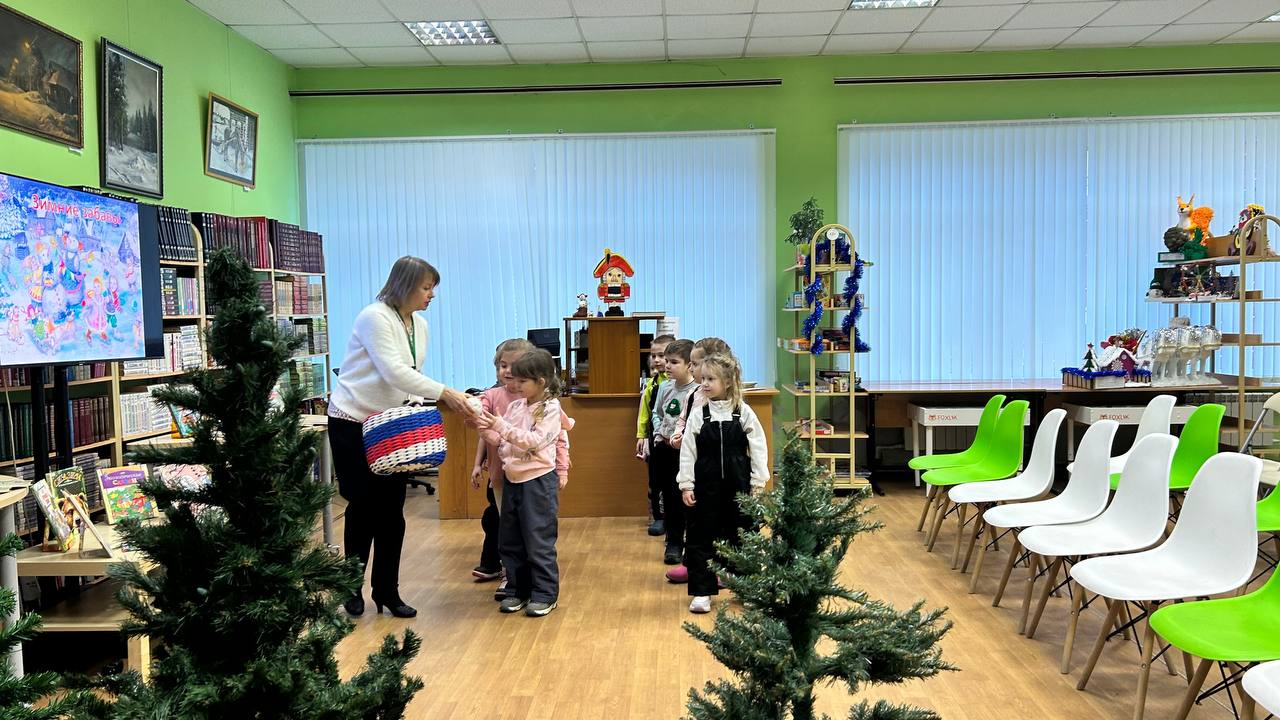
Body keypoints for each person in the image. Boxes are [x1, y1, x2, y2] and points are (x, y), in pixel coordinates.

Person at [328, 256, 478, 619]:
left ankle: (387, 591)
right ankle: (351, 587)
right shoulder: (374, 317)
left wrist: (423, 402)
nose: (431, 295)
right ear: (404, 285)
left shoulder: (419, 324)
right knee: (362, 507)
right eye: (426, 287)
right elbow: (393, 371)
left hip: (390, 426)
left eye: (432, 288)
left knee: (392, 512)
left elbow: (412, 372)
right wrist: (446, 393)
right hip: (353, 422)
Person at [471, 339, 571, 603]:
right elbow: (503, 441)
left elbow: (534, 441)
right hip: (511, 479)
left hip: (537, 481)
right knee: (511, 540)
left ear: (540, 381)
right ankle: (518, 590)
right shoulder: (516, 406)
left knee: (538, 540)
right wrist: (482, 425)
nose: (514, 384)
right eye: (512, 377)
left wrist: (499, 427)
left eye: (521, 380)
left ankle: (544, 594)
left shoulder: (550, 408)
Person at [678, 353, 768, 614]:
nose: (704, 384)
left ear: (728, 382)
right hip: (705, 487)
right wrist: (686, 484)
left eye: (711, 379)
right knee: (701, 536)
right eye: (703, 378)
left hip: (739, 484)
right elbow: (688, 452)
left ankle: (748, 587)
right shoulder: (699, 415)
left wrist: (758, 482)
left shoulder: (743, 412)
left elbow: (759, 448)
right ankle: (702, 591)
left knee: (744, 534)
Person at [665, 336, 732, 584]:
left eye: (695, 364)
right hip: (695, 467)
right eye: (691, 364)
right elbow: (682, 420)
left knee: (721, 521)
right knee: (694, 520)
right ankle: (692, 564)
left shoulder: (730, 401)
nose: (691, 369)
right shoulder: (694, 394)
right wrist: (678, 435)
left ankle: (723, 568)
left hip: (720, 469)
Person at [649, 339, 698, 565]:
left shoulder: (697, 391)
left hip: (686, 453)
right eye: (666, 361)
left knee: (686, 498)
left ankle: (691, 543)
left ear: (689, 365)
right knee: (669, 497)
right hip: (666, 450)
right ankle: (674, 542)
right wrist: (659, 433)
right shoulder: (665, 387)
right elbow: (657, 413)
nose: (667, 366)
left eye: (674, 362)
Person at [635, 333, 675, 536]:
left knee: (675, 478)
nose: (657, 360)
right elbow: (645, 412)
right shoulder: (652, 384)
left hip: (675, 437)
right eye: (654, 356)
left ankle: (677, 517)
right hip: (655, 437)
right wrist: (642, 435)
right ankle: (659, 517)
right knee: (656, 478)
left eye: (662, 356)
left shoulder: (677, 383)